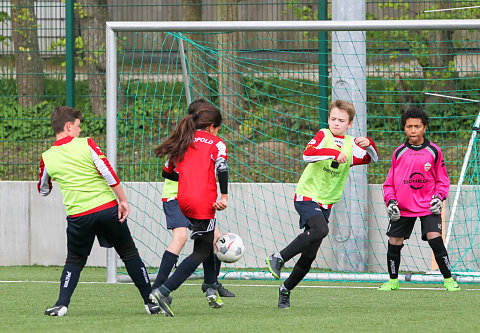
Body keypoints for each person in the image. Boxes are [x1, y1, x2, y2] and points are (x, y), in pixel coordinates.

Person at [38, 106, 160, 316]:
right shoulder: (87, 144)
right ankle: (150, 302)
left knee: (74, 260)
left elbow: (43, 190)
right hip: (106, 209)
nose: (79, 130)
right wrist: (123, 200)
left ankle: (61, 305)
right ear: (68, 126)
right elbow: (108, 173)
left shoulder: (47, 157)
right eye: (77, 126)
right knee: (129, 254)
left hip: (78, 217)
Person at [266, 100, 378, 309]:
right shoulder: (323, 135)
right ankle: (278, 257)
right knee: (321, 229)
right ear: (328, 120)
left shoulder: (351, 143)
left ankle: (285, 289)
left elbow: (372, 159)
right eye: (333, 119)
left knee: (309, 256)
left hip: (326, 203)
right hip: (307, 195)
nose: (336, 123)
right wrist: (334, 153)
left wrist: (369, 144)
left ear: (350, 124)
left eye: (341, 120)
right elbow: (307, 155)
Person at [150, 99, 229, 317]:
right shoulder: (216, 142)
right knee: (202, 250)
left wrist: (186, 179)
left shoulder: (183, 140)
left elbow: (167, 172)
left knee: (208, 240)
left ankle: (211, 286)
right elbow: (222, 167)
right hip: (203, 201)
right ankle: (163, 291)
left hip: (182, 199)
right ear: (212, 127)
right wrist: (224, 195)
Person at [378, 108, 460, 291]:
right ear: (404, 129)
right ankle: (393, 281)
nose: (413, 130)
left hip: (427, 207)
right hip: (403, 208)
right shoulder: (398, 153)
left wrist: (439, 197)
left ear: (424, 128)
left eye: (417, 126)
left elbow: (443, 180)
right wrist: (390, 202)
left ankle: (448, 279)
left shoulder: (434, 151)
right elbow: (389, 183)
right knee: (394, 241)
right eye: (409, 126)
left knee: (435, 239)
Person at [153, 177, 235, 301]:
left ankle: (211, 283)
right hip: (175, 197)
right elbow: (172, 172)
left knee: (216, 239)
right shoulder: (182, 159)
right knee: (180, 237)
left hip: (195, 198)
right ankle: (157, 288)